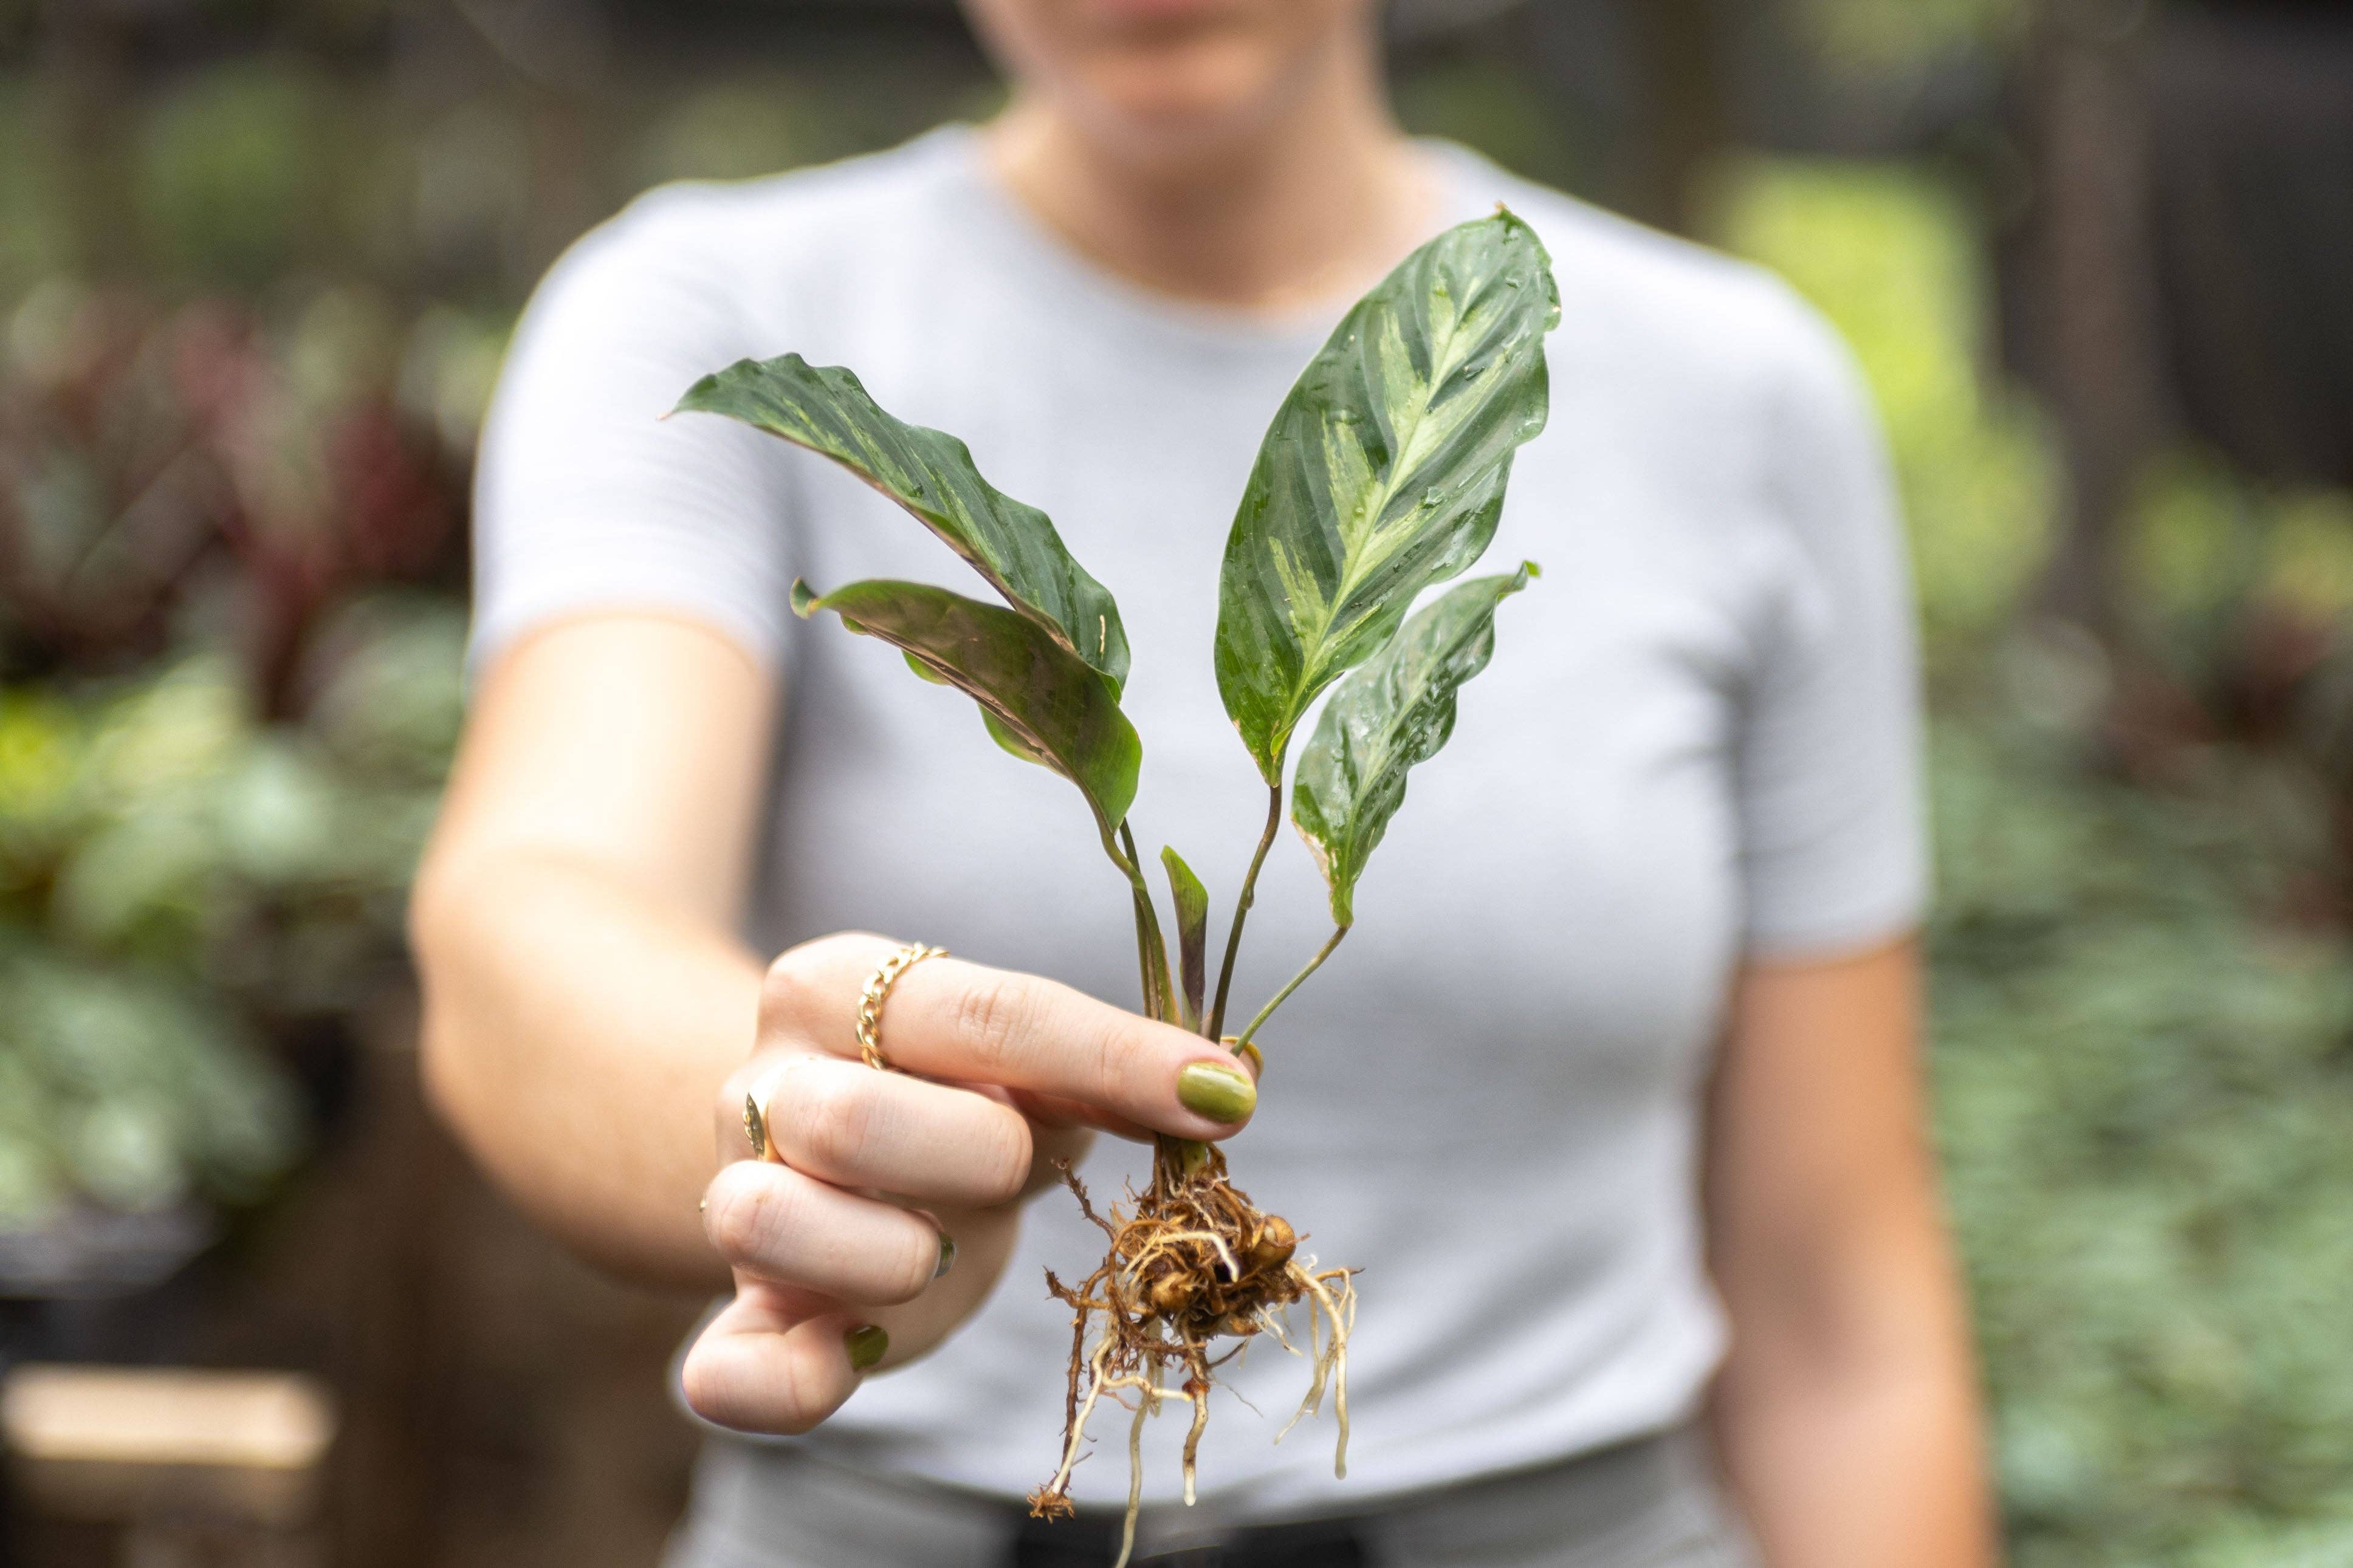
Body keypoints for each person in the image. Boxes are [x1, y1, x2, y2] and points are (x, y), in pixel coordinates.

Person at [411, 1, 1997, 1563]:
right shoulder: (701, 308)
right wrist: (820, 1138)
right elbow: (535, 920)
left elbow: (1841, 1326)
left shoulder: (1736, 392)